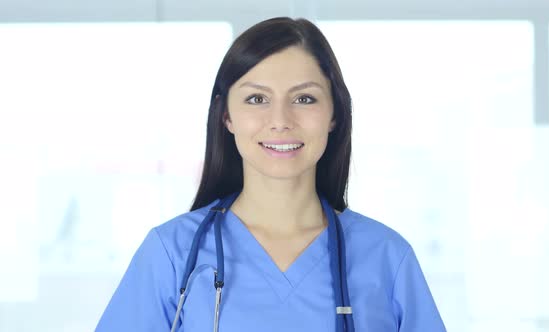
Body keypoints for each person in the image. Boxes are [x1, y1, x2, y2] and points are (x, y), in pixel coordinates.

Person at [96, 17, 446, 332]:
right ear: (227, 117)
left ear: (334, 115)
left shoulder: (386, 257)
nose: (280, 120)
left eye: (305, 99)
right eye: (257, 99)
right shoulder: (172, 254)